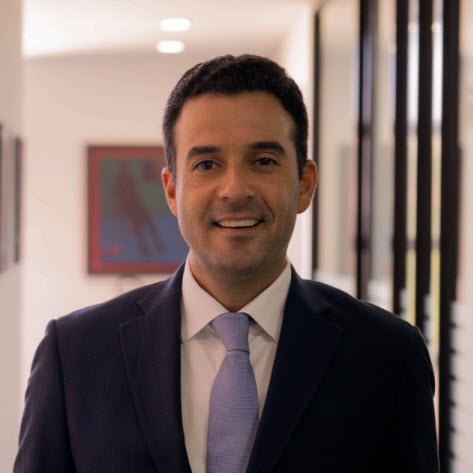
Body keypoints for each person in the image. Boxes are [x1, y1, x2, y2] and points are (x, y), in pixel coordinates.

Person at [14, 54, 439, 473]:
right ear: (172, 190)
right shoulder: (74, 354)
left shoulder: (388, 355)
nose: (235, 189)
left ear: (305, 184)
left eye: (264, 161)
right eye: (207, 164)